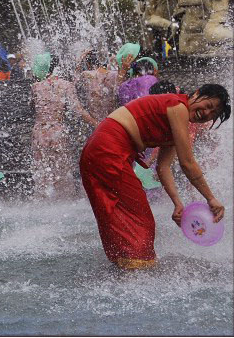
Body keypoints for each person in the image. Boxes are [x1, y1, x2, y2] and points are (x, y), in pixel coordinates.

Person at [80, 84, 230, 269]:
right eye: (208, 105)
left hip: (103, 148)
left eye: (213, 114)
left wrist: (177, 203)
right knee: (141, 218)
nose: (206, 113)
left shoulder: (178, 120)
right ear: (197, 93)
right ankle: (136, 272)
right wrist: (211, 198)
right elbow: (187, 163)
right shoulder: (178, 106)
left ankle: (124, 266)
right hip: (109, 148)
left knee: (119, 213)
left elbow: (164, 167)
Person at [30, 54, 97, 200]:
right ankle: (63, 200)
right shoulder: (66, 85)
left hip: (39, 132)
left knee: (42, 168)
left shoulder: (35, 87)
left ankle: (43, 200)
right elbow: (78, 109)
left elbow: (33, 107)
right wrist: (96, 123)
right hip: (57, 131)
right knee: (61, 167)